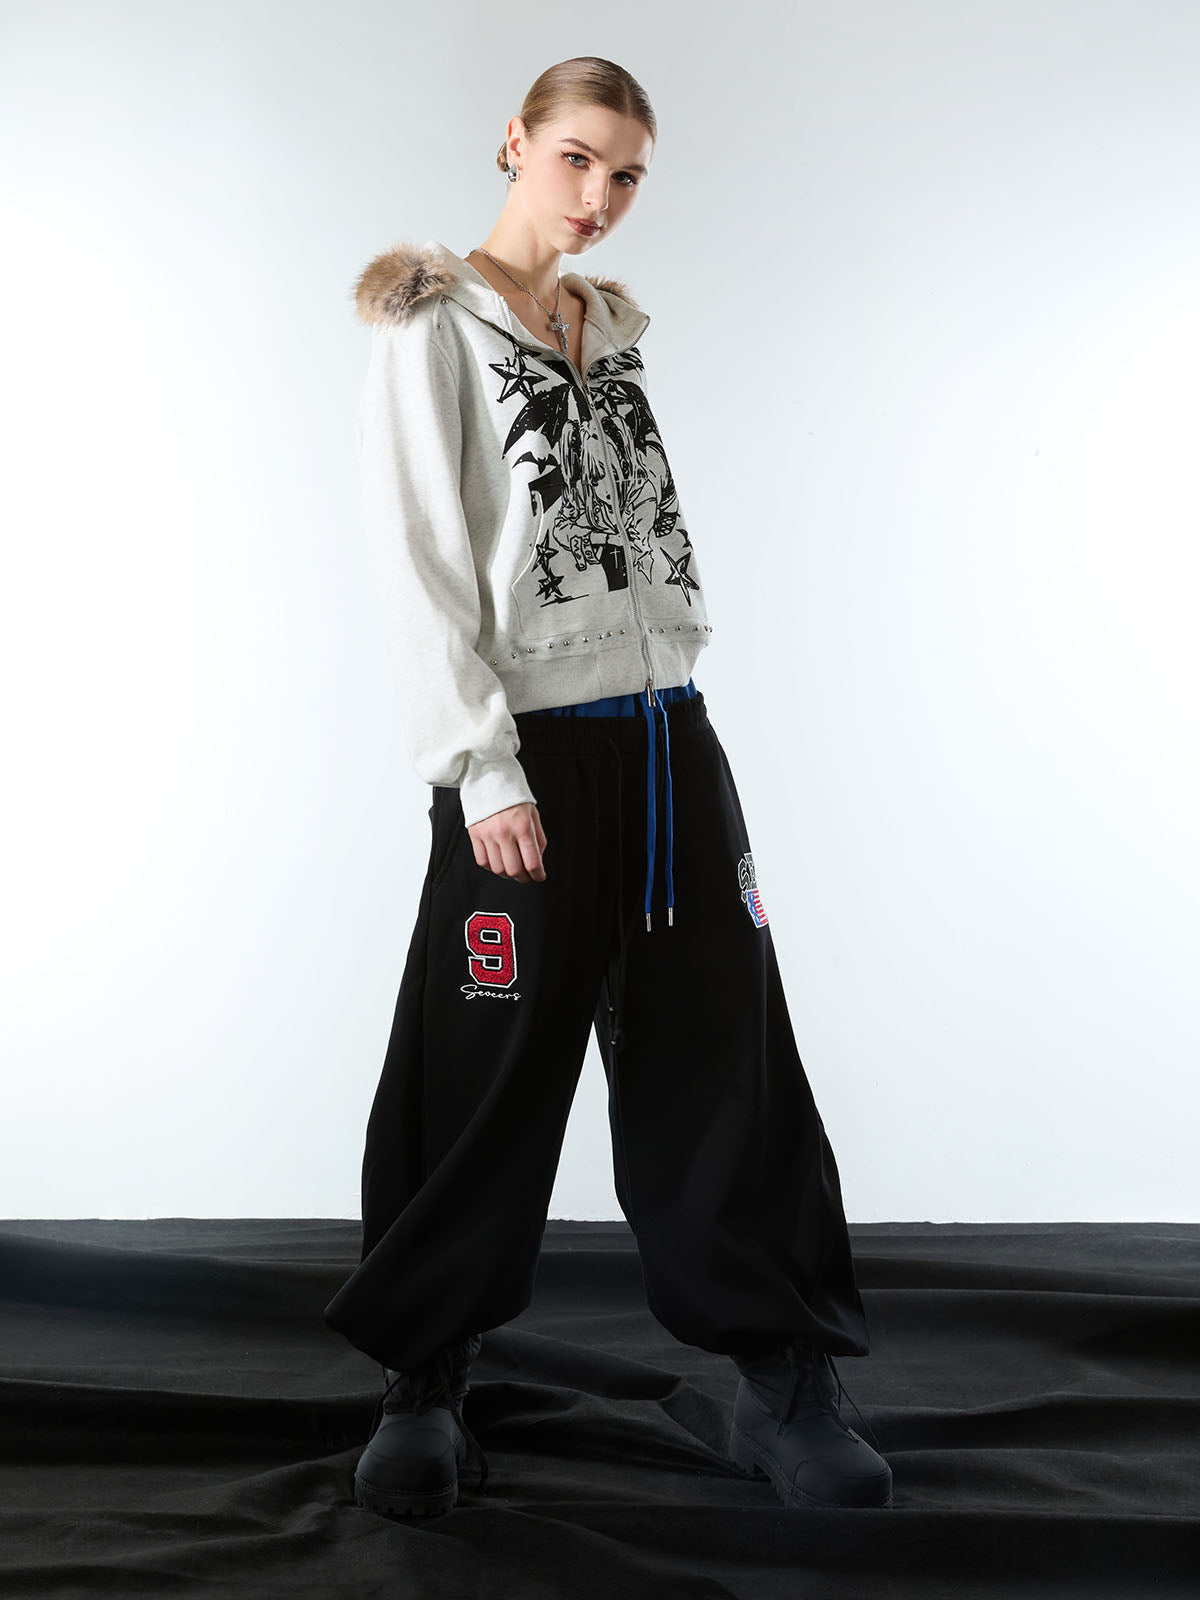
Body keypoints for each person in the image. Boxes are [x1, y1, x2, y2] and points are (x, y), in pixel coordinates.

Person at [323, 55, 893, 1520]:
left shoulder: (611, 333)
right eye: (578, 158)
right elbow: (419, 561)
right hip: (526, 754)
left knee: (725, 1052)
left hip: (667, 737)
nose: (601, 196)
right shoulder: (433, 327)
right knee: (483, 1063)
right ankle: (425, 1378)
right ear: (514, 142)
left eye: (627, 173)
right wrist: (480, 768)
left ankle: (781, 1377)